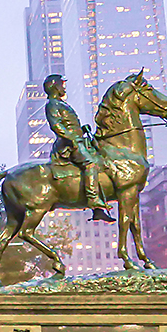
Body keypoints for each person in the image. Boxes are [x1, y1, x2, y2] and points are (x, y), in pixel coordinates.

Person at [43, 74, 116, 223]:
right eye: (61, 84)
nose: (64, 87)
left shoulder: (61, 104)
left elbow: (69, 126)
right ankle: (93, 199)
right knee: (91, 164)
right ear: (54, 86)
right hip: (68, 144)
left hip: (77, 140)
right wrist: (72, 138)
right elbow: (56, 126)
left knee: (100, 159)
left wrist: (81, 130)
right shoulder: (52, 105)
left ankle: (98, 211)